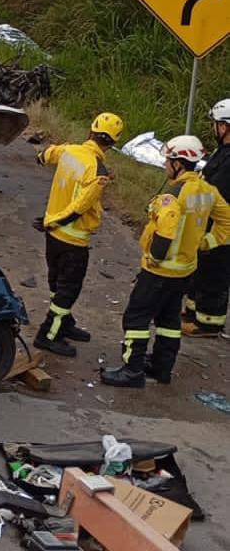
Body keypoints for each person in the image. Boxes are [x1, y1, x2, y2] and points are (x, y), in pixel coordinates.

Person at [100, 135, 230, 387]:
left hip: (159, 271)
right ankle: (161, 367)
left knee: (136, 318)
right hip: (185, 270)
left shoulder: (173, 195)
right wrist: (206, 243)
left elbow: (167, 228)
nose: (165, 165)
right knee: (169, 320)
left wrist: (155, 258)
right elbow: (227, 221)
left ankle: (132, 370)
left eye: (168, 160)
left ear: (179, 164)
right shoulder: (207, 190)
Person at [31, 112, 124, 357]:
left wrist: (49, 223)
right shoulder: (97, 170)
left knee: (57, 282)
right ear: (112, 143)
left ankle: (66, 323)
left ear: (91, 132)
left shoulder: (69, 150)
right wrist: (53, 223)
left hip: (53, 235)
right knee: (68, 289)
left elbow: (44, 155)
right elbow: (80, 207)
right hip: (72, 238)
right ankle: (49, 334)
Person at [184, 97, 230, 338]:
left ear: (224, 127)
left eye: (215, 124)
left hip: (223, 229)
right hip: (209, 223)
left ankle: (209, 323)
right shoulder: (223, 152)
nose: (213, 128)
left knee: (215, 272)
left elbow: (218, 193)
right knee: (200, 267)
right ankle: (193, 310)